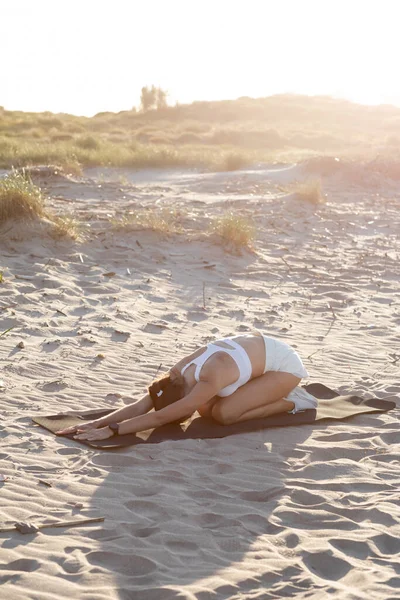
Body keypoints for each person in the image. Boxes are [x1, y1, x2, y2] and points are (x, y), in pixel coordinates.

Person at [56, 332, 317, 441]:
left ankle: (294, 400)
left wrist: (113, 431)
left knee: (224, 414)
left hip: (284, 366)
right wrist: (95, 423)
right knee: (207, 410)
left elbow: (158, 416)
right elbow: (143, 405)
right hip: (255, 356)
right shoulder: (178, 372)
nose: (186, 413)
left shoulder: (209, 377)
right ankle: (259, 391)